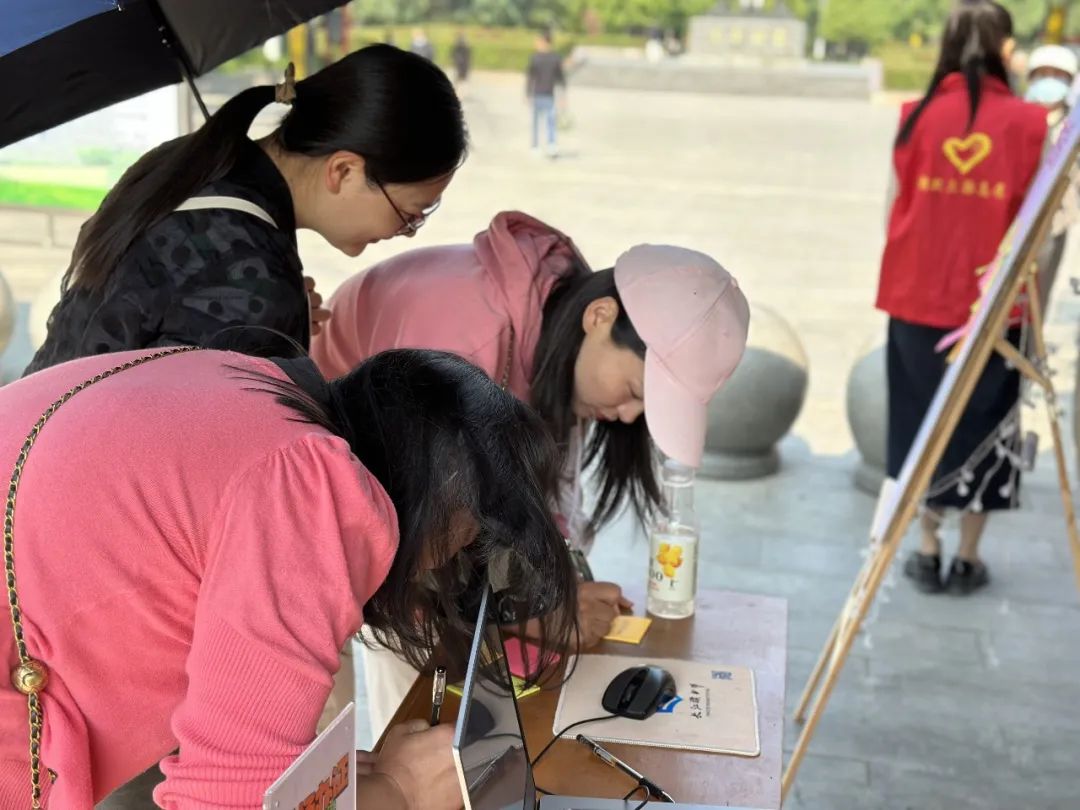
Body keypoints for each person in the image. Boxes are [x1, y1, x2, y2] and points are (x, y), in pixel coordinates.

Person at [0, 345, 577, 809]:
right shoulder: (310, 487)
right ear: (442, 498)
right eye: (469, 529)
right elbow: (224, 800)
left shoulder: (243, 380)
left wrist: (330, 787)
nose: (456, 555)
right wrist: (402, 793)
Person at [310, 211, 751, 737]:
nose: (632, 417)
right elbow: (413, 545)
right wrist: (539, 616)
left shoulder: (557, 324)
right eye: (636, 392)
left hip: (396, 516)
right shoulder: (464, 343)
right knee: (326, 743)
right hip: (324, 514)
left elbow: (531, 496)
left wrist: (553, 589)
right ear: (600, 316)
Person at [24, 45, 466, 376]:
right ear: (344, 170)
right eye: (411, 213)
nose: (407, 232)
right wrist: (272, 321)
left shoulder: (186, 164)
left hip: (32, 438)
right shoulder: (252, 281)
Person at [875, 0, 1047, 595]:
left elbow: (890, 212)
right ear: (1005, 49)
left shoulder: (913, 116)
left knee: (923, 427)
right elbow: (1040, 232)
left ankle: (925, 545)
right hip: (996, 313)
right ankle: (968, 556)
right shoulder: (1031, 123)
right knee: (984, 436)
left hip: (917, 302)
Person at [1025, 44, 1078, 309]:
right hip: (1014, 221)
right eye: (1043, 73)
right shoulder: (1017, 118)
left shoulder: (1073, 127)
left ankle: (1031, 348)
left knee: (1038, 297)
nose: (1049, 81)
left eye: (1058, 75)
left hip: (1054, 223)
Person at [526, 30, 565, 157]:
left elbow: (559, 78)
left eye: (538, 41)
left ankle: (549, 145)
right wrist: (528, 93)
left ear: (545, 42)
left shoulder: (550, 58)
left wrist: (562, 96)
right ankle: (537, 145)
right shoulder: (538, 58)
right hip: (540, 94)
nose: (536, 44)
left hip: (547, 94)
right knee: (541, 122)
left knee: (548, 121)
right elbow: (531, 77)